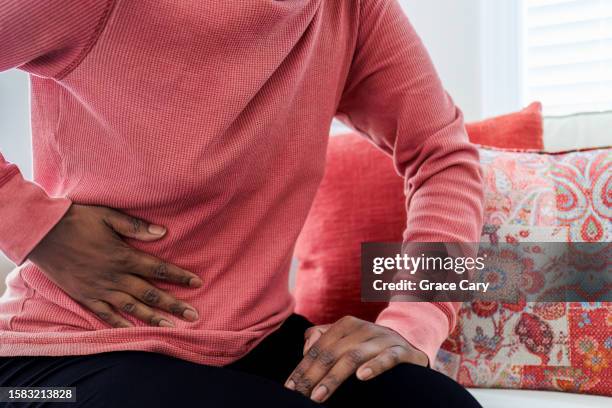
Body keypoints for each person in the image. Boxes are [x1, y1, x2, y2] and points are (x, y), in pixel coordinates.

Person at [0, 0, 484, 407]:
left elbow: (443, 156)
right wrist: (33, 225)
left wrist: (416, 318)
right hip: (56, 365)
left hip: (255, 341)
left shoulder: (349, 10)